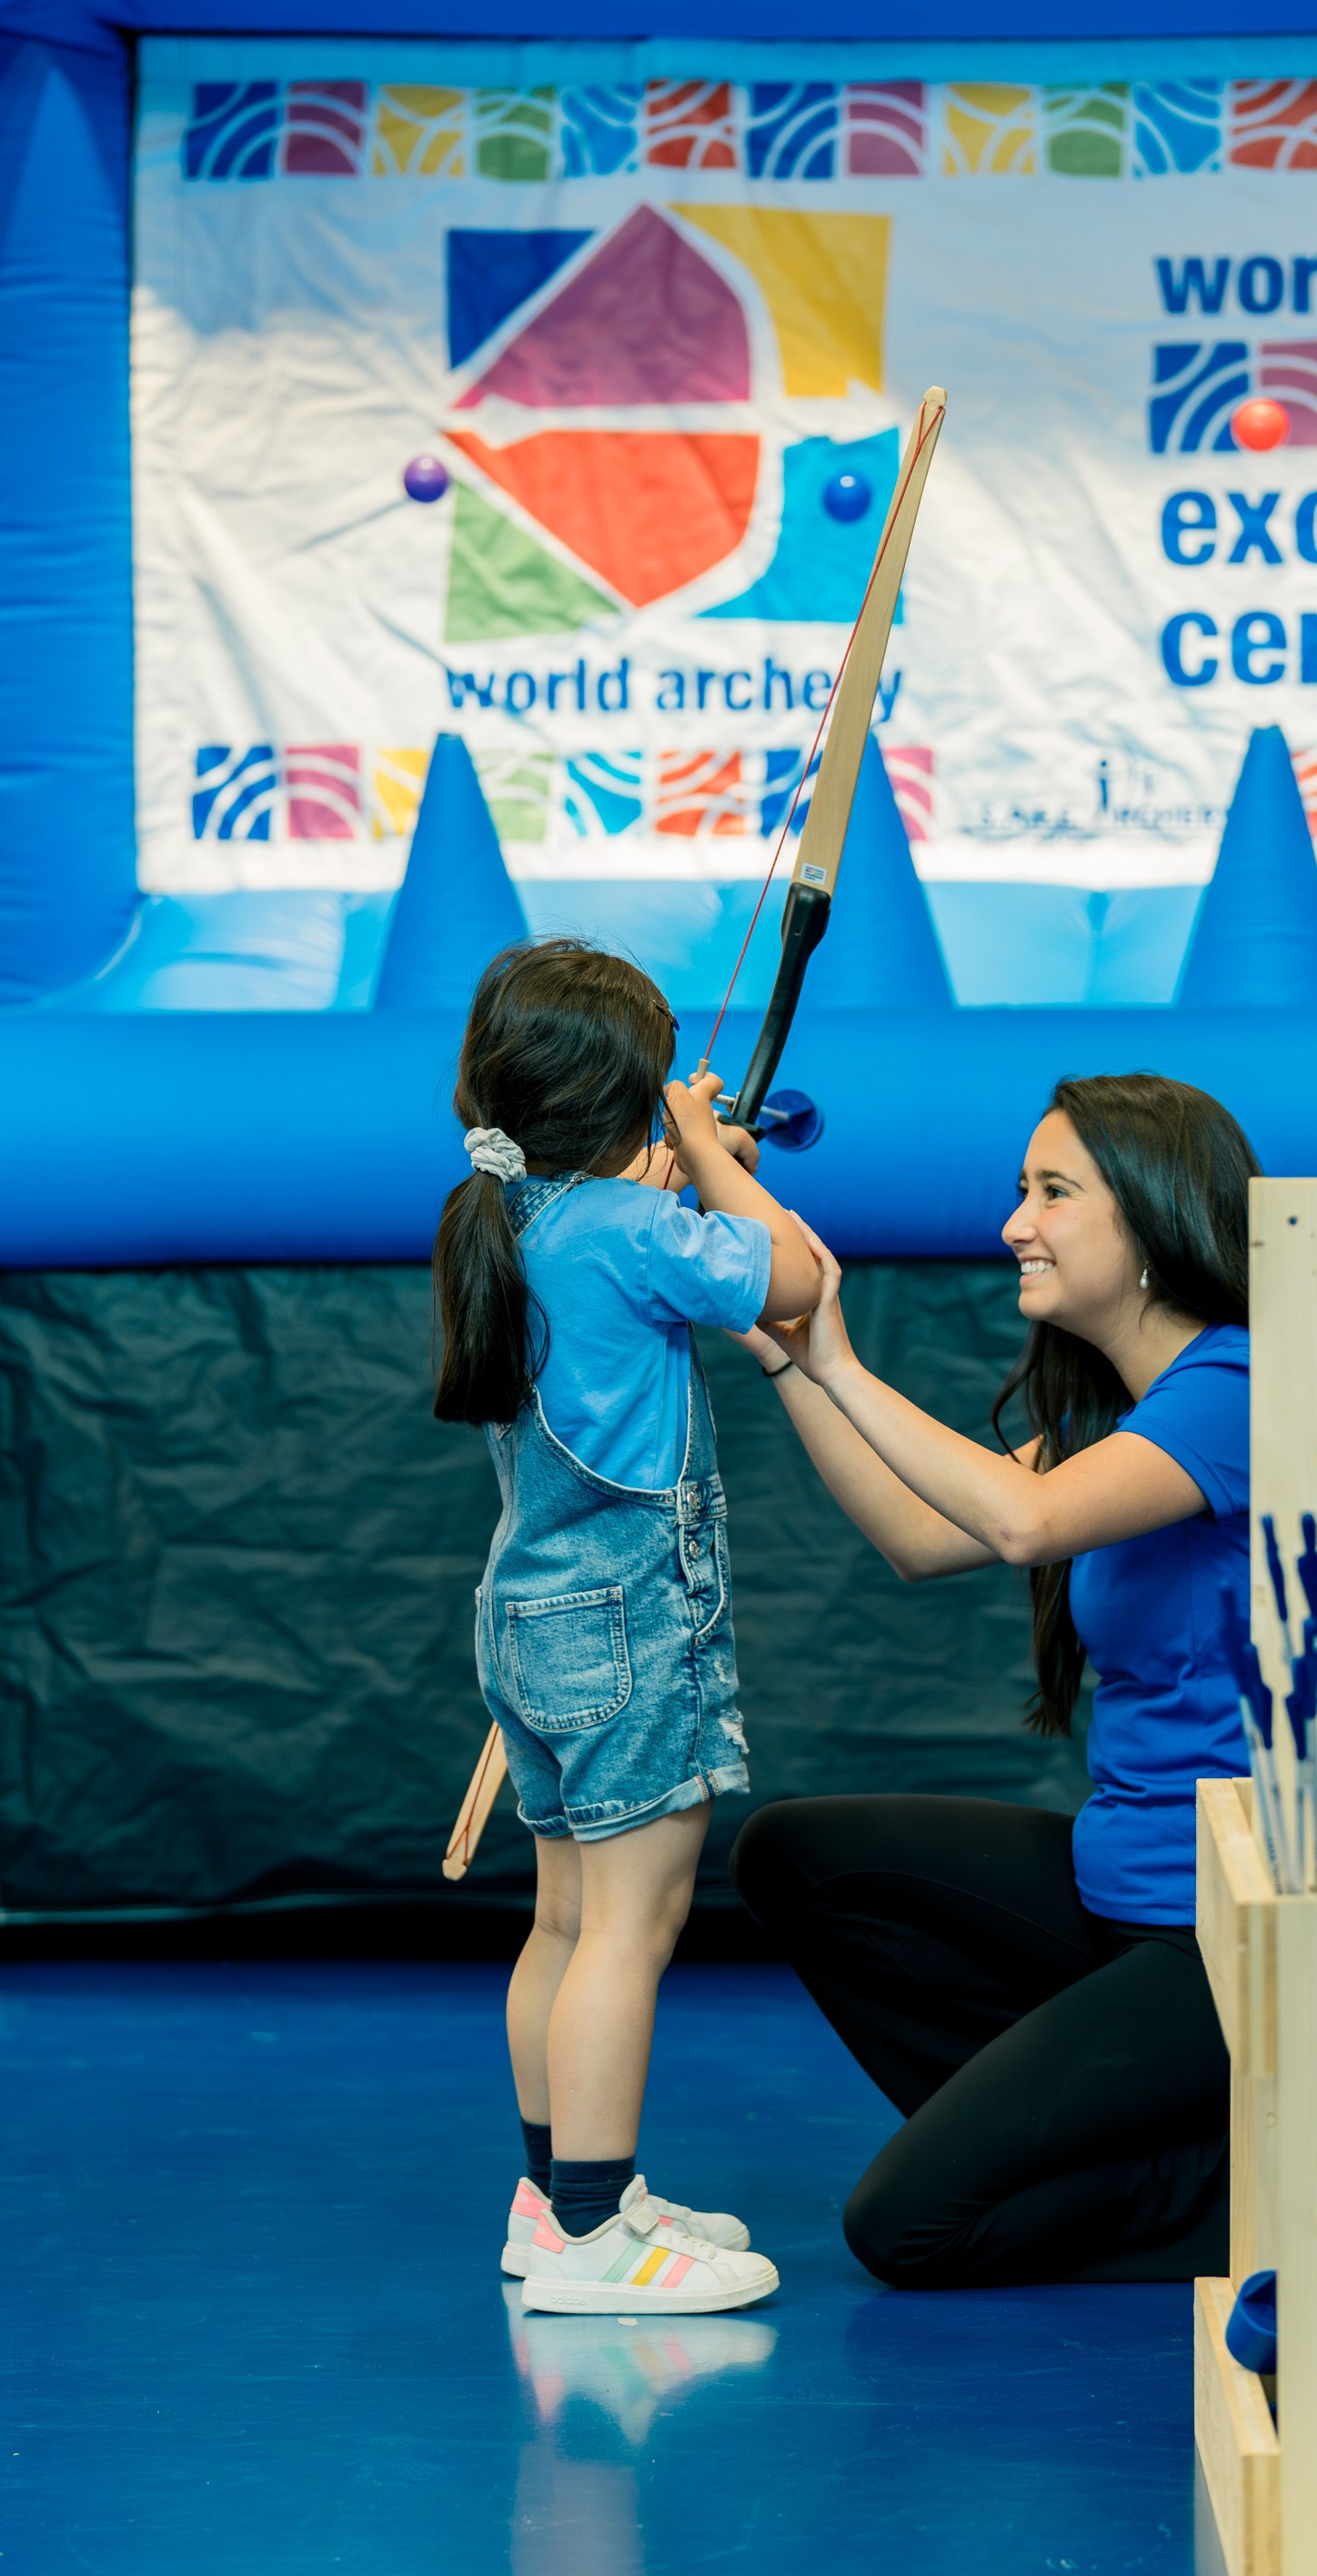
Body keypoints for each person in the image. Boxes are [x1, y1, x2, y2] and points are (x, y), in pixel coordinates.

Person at [730, 1072, 1256, 2289]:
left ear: (1155, 1217)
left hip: (1217, 1942)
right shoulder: (1123, 1418)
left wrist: (846, 1357)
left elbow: (1021, 1525)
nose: (1015, 1223)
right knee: (796, 1855)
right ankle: (1073, 2136)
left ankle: (1223, 2189)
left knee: (905, 2227)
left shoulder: (1237, 1388)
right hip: (1118, 1897)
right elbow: (920, 1537)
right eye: (1021, 1189)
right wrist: (793, 1359)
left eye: (1054, 1192)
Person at [433, 940, 820, 2313]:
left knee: (561, 1922)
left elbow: (656, 1255)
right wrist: (711, 1149)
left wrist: (661, 1149)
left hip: (529, 1625)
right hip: (624, 1627)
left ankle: (556, 2204)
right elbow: (795, 1275)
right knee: (627, 1932)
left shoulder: (521, 1218)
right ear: (625, 1101)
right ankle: (596, 2243)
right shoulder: (628, 1230)